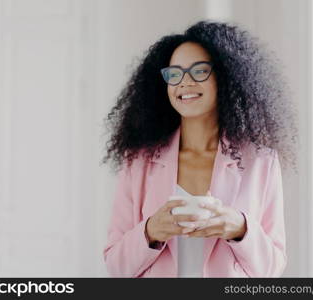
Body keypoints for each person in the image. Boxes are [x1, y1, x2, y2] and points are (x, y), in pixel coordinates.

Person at [102, 20, 298, 277]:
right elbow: (116, 267)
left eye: (199, 71)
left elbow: (272, 268)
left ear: (226, 77)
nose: (184, 82)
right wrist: (151, 231)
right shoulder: (138, 161)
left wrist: (239, 228)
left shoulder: (261, 161)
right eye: (175, 73)